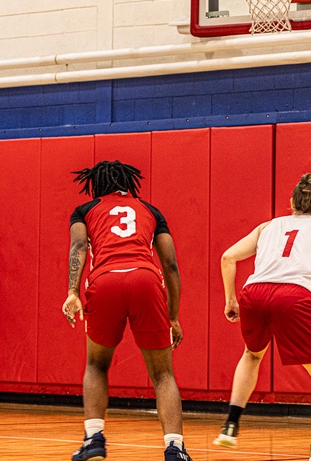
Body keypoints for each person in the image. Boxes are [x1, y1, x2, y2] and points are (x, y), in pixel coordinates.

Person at [62, 160, 192, 461]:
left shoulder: (84, 210)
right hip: (145, 280)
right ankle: (175, 448)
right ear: (128, 183)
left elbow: (79, 246)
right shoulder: (150, 211)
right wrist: (173, 315)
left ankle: (94, 438)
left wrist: (72, 291)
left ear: (95, 184)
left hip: (105, 281)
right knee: (162, 374)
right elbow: (170, 265)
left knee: (96, 365)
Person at [215, 174, 311, 461]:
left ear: (291, 203)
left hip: (254, 293)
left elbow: (228, 257)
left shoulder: (267, 227)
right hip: (294, 298)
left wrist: (231, 299)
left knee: (252, 355)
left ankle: (230, 425)